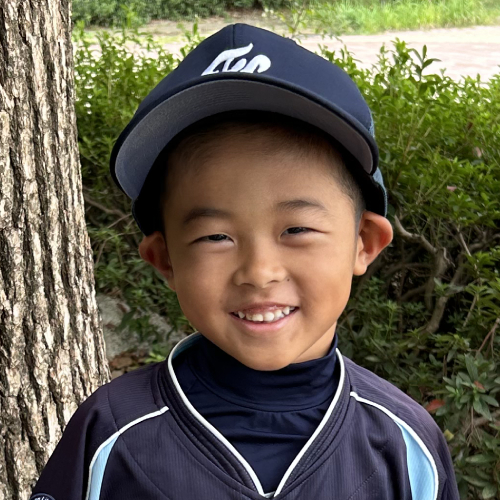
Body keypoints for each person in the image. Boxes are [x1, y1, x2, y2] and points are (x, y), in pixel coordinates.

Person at [30, 23, 459, 500]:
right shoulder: (110, 435)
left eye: (296, 230)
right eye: (216, 236)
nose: (259, 271)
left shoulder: (406, 446)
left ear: (364, 242)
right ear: (165, 259)